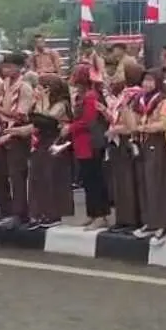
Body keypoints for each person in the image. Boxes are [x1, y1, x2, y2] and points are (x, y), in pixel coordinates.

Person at [0, 53, 34, 226]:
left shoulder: (25, 87)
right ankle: (5, 209)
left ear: (19, 67)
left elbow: (22, 116)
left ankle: (20, 213)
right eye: (4, 66)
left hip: (16, 134)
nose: (5, 69)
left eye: (9, 66)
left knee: (17, 175)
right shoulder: (4, 85)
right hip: (2, 132)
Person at [133, 69, 166, 245]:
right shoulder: (139, 100)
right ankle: (149, 221)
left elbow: (165, 123)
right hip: (142, 144)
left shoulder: (163, 101)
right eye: (144, 80)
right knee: (144, 183)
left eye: (150, 81)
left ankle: (163, 223)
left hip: (157, 144)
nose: (147, 84)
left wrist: (143, 127)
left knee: (158, 183)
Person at [67, 64, 110, 230]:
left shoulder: (91, 96)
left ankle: (100, 215)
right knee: (88, 180)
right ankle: (93, 214)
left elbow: (88, 121)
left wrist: (69, 128)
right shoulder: (82, 95)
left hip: (90, 142)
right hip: (82, 143)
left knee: (95, 179)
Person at [27, 75, 73, 229]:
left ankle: (53, 214)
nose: (38, 90)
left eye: (42, 87)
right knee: (36, 176)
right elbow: (32, 118)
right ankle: (37, 212)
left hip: (55, 142)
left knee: (51, 178)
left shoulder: (61, 104)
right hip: (41, 142)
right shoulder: (41, 102)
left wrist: (42, 101)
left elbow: (47, 120)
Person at [105, 65, 144, 233]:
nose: (116, 76)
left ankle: (130, 220)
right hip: (117, 142)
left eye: (121, 72)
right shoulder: (124, 94)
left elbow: (131, 125)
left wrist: (115, 130)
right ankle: (122, 218)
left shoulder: (135, 96)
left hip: (127, 142)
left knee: (127, 183)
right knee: (119, 183)